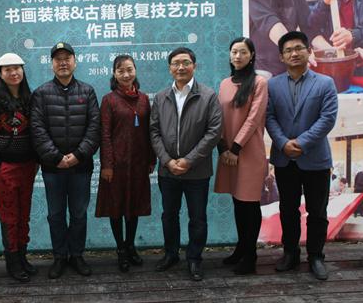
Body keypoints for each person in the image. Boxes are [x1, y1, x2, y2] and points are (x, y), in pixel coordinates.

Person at [266, 31, 338, 281]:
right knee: (288, 209)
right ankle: (290, 253)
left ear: (309, 51)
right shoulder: (272, 85)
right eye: (288, 50)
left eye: (299, 48)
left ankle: (316, 256)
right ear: (281, 57)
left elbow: (327, 119)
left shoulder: (325, 83)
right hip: (284, 158)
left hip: (315, 159)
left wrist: (302, 142)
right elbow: (269, 117)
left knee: (317, 211)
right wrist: (283, 143)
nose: (294, 53)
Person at [150, 47, 223, 282]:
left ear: (194, 66)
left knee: (197, 218)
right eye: (175, 63)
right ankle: (171, 254)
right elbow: (154, 132)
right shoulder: (161, 97)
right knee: (169, 215)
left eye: (185, 62)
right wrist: (167, 161)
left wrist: (189, 160)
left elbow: (214, 132)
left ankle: (194, 259)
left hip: (197, 171)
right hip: (168, 170)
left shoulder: (208, 96)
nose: (180, 67)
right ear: (170, 68)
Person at [30, 42, 100, 279]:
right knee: (56, 214)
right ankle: (60, 256)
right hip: (53, 169)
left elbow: (94, 129)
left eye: (67, 58)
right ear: (51, 64)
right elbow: (37, 129)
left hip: (81, 167)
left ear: (75, 62)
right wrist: (56, 157)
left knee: (79, 214)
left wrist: (77, 156)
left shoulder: (87, 92)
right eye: (58, 59)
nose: (63, 63)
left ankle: (77, 255)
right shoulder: (41, 93)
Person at [95, 55, 156, 273]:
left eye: (129, 69)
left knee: (134, 206)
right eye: (120, 71)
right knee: (116, 207)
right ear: (114, 74)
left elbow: (150, 132)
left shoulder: (144, 99)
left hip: (138, 163)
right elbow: (104, 134)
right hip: (116, 165)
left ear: (135, 70)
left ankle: (131, 246)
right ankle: (120, 249)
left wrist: (151, 159)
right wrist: (107, 165)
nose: (126, 74)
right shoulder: (109, 100)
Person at [214, 37, 268, 275]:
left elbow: (254, 118)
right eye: (234, 51)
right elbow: (218, 118)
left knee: (249, 203)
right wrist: (223, 148)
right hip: (228, 152)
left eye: (243, 52)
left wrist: (235, 148)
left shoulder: (259, 82)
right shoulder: (225, 83)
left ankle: (250, 255)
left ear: (252, 55)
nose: (238, 56)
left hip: (249, 152)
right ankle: (241, 248)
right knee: (237, 201)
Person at [0, 53, 38, 282]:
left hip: (27, 167)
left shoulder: (30, 99)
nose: (13, 73)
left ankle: (23, 257)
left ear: (23, 71)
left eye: (17, 68)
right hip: (4, 169)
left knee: (24, 215)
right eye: (8, 69)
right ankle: (12, 262)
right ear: (0, 74)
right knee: (9, 217)